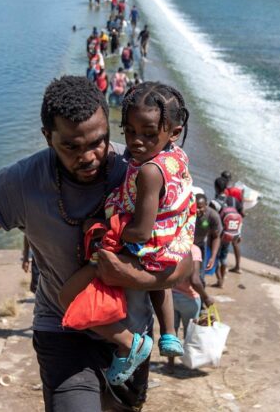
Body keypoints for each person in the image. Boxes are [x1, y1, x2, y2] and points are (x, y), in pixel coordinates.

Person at [0, 76, 191, 411]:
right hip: (62, 331)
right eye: (71, 146)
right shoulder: (19, 184)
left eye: (98, 142)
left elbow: (183, 259)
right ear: (47, 136)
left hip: (132, 339)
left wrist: (134, 277)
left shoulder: (140, 170)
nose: (89, 156)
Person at [59, 81, 195, 386]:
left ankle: (129, 343)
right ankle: (169, 334)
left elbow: (141, 232)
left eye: (148, 134)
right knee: (159, 283)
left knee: (68, 296)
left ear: (174, 132)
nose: (136, 142)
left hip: (144, 247)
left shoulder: (148, 171)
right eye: (129, 131)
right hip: (170, 245)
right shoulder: (175, 156)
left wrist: (109, 233)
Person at [167, 241, 214, 372]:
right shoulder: (194, 250)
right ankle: (187, 362)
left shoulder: (171, 245)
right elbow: (195, 280)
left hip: (170, 296)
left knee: (171, 332)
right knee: (190, 333)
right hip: (189, 299)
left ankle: (170, 364)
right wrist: (206, 297)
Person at [211, 175, 244, 285]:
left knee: (214, 256)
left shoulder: (214, 202)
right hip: (229, 233)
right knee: (224, 257)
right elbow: (241, 214)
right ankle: (222, 278)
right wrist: (238, 233)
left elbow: (210, 219)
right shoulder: (233, 200)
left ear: (216, 187)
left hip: (217, 235)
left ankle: (219, 279)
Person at [193, 193, 222, 283]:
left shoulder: (213, 216)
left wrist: (213, 257)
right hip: (186, 243)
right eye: (195, 207)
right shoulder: (188, 211)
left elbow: (216, 237)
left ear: (206, 205)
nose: (197, 210)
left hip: (200, 245)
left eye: (200, 207)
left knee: (201, 274)